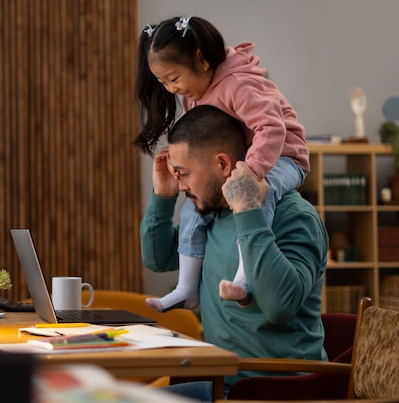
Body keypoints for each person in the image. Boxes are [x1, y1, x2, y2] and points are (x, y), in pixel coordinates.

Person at [140, 105, 328, 401]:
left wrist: (249, 211)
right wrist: (163, 199)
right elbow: (158, 259)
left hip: (282, 392)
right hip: (224, 385)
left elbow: (280, 306)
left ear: (223, 165)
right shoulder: (212, 214)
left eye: (184, 173)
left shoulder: (295, 216)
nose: (181, 184)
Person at [134, 16, 309, 311]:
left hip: (285, 156)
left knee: (254, 196)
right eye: (163, 83)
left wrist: (251, 174)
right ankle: (187, 288)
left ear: (201, 59)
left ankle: (244, 279)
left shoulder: (239, 84)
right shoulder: (197, 93)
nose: (171, 90)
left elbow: (272, 128)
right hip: (246, 158)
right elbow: (156, 258)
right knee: (190, 206)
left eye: (174, 79)